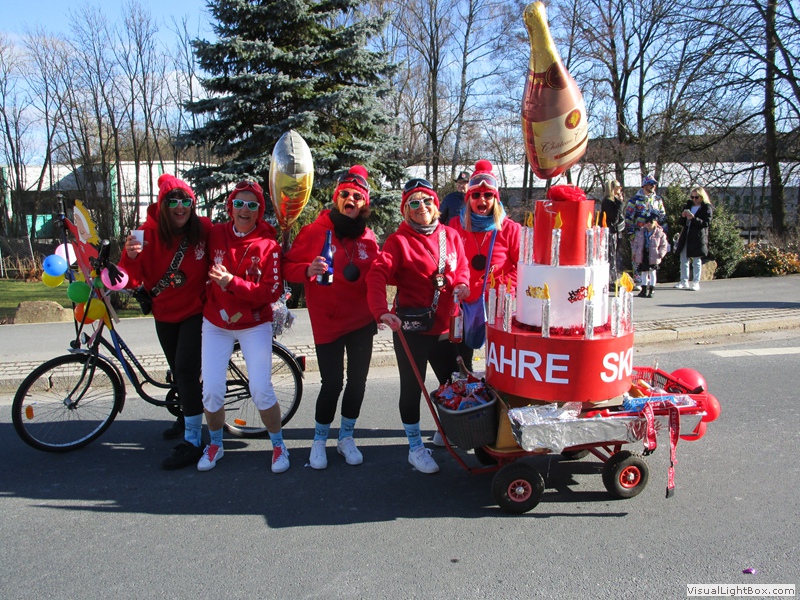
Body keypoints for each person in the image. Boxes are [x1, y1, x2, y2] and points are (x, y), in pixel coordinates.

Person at [365, 177, 470, 475]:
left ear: (436, 205)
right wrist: (381, 312)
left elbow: (462, 267)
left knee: (453, 384)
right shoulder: (399, 241)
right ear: (406, 210)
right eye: (414, 202)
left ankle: (445, 429)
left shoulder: (451, 235)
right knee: (413, 387)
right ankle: (415, 448)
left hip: (446, 326)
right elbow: (376, 274)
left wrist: (462, 284)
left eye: (427, 201)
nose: (421, 206)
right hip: (411, 328)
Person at [282, 165, 380, 470]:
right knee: (332, 383)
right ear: (337, 198)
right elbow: (287, 267)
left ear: (364, 203)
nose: (351, 199)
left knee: (358, 382)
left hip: (361, 321)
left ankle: (346, 437)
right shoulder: (315, 231)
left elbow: (379, 275)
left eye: (357, 196)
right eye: (345, 194)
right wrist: (306, 269)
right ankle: (319, 440)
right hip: (328, 321)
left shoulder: (369, 238)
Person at [119, 174, 212, 469]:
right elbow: (128, 279)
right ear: (162, 205)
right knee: (178, 372)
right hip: (164, 313)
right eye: (173, 201)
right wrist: (130, 257)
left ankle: (194, 440)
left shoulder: (203, 228)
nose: (180, 207)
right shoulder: (144, 234)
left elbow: (235, 237)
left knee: (185, 370)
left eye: (186, 201)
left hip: (197, 311)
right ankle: (186, 416)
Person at [198, 180, 288, 473]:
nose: (244, 210)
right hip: (216, 322)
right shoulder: (215, 233)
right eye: (239, 203)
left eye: (252, 205)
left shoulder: (269, 245)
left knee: (260, 389)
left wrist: (231, 282)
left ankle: (279, 445)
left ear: (259, 211)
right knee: (211, 390)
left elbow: (271, 292)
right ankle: (215, 444)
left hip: (254, 324)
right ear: (230, 207)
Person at [447, 159, 520, 372]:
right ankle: (467, 389)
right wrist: (457, 285)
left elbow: (523, 268)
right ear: (468, 198)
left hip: (498, 305)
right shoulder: (455, 225)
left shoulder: (510, 229)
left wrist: (498, 287)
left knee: (499, 363)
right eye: (476, 195)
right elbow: (448, 262)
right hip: (464, 303)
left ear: (495, 199)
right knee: (462, 364)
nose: (482, 200)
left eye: (488, 195)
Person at [625, 175, 667, 289]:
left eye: (654, 184)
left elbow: (662, 216)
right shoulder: (635, 200)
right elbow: (628, 217)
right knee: (637, 256)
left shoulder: (657, 199)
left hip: (653, 234)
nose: (653, 186)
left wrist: (662, 231)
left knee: (652, 255)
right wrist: (631, 233)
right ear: (644, 185)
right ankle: (638, 280)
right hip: (639, 233)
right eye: (650, 184)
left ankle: (650, 280)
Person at [674, 186, 713, 291]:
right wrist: (683, 216)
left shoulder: (706, 207)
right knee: (683, 258)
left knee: (696, 260)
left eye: (696, 197)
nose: (694, 199)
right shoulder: (688, 205)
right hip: (686, 234)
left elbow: (706, 223)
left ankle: (696, 282)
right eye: (692, 197)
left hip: (698, 236)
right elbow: (681, 223)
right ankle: (684, 281)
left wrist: (694, 218)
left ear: (702, 197)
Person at [632, 211, 669, 298]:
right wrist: (635, 252)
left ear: (655, 222)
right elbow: (635, 244)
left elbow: (664, 245)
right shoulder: (640, 233)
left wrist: (660, 254)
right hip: (643, 254)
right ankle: (644, 289)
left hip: (654, 255)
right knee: (644, 272)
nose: (648, 224)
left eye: (651, 222)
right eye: (646, 222)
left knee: (652, 272)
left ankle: (652, 289)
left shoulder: (660, 233)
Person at [599, 178, 626, 283]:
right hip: (610, 232)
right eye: (618, 187)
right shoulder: (608, 202)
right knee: (611, 256)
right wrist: (620, 203)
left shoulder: (612, 201)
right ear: (613, 188)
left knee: (614, 255)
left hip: (615, 231)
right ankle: (611, 279)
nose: (620, 189)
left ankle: (613, 278)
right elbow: (614, 217)